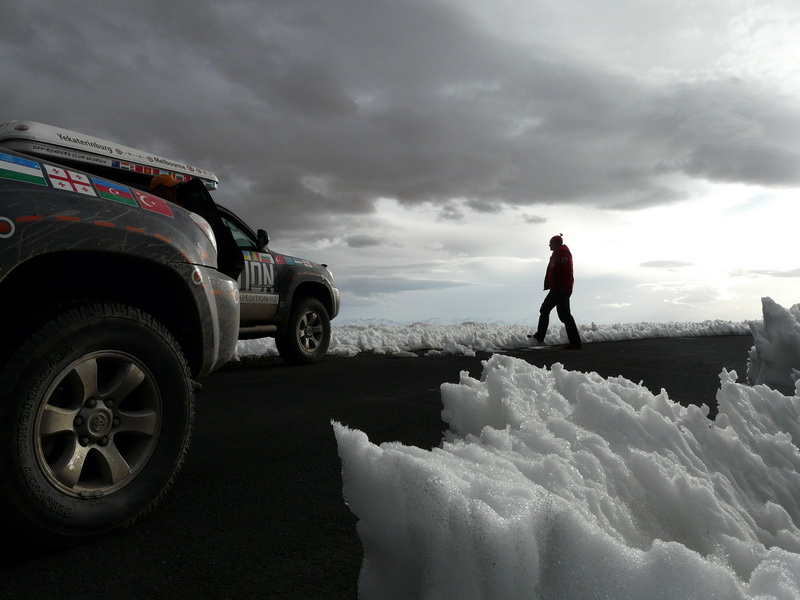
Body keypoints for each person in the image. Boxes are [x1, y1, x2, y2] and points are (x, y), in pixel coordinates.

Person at [529, 234, 582, 349]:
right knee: (545, 309)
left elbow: (567, 272)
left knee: (564, 316)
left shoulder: (564, 254)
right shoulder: (556, 254)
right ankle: (540, 336)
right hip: (556, 289)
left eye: (551, 243)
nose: (549, 245)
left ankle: (575, 342)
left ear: (557, 243)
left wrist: (563, 289)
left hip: (561, 290)